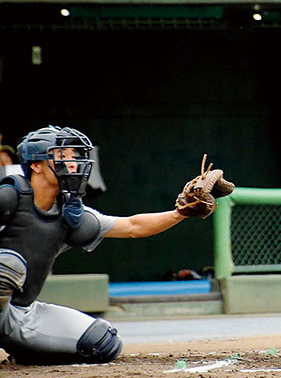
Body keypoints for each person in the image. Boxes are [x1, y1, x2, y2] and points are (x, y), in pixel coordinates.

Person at [0, 125, 231, 365]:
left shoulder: (70, 214)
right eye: (61, 156)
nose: (72, 163)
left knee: (102, 343)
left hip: (19, 312)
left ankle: (24, 351)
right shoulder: (9, 195)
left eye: (73, 156)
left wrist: (181, 212)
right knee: (9, 264)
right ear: (36, 165)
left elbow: (132, 227)